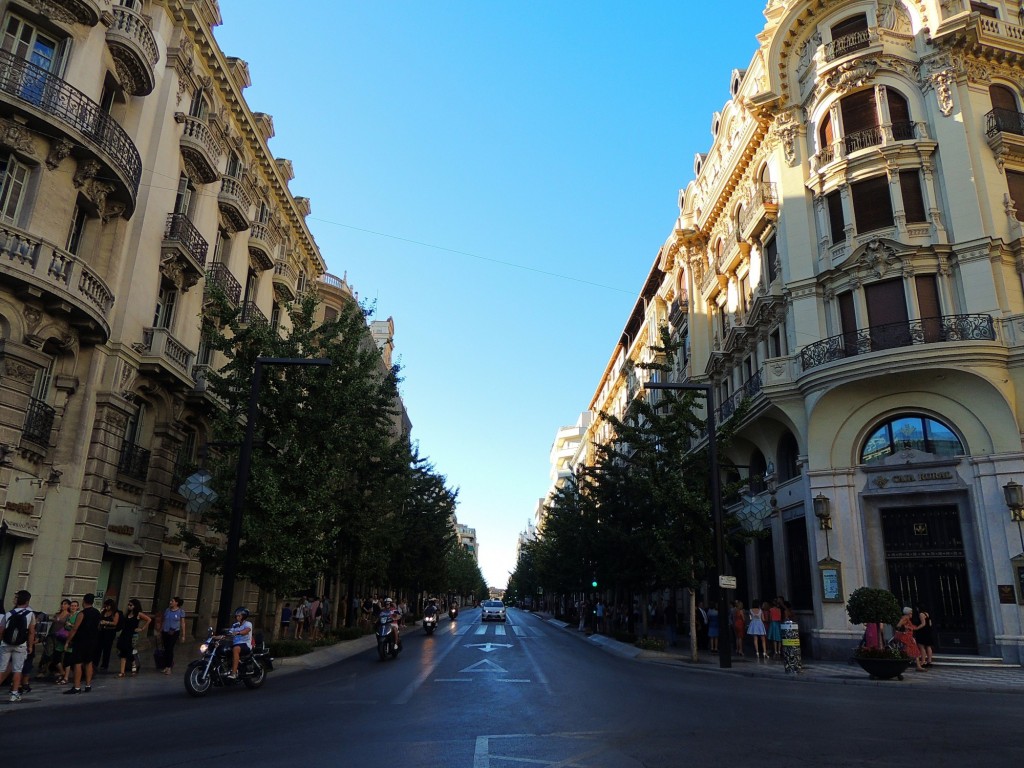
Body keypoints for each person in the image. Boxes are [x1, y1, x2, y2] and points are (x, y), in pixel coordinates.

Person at [0, 590, 37, 703]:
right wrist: (30, 646)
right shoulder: (30, 614)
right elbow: (31, 632)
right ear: (27, 601)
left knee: (1, 668)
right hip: (20, 644)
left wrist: (1, 641)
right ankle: (14, 693)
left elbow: (1, 630)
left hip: (6, 643)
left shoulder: (9, 613)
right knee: (17, 669)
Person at [64, 592, 101, 694]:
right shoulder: (97, 613)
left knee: (78, 663)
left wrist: (68, 641)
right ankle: (88, 685)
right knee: (88, 662)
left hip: (81, 640)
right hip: (92, 640)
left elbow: (75, 628)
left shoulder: (82, 613)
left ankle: (77, 687)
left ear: (84, 601)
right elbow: (98, 626)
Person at [116, 598, 150, 677]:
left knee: (128, 650)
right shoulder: (127, 614)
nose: (129, 606)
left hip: (132, 634)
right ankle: (122, 671)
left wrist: (142, 628)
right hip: (125, 633)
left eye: (131, 605)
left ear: (135, 606)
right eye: (128, 605)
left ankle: (133, 663)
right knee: (122, 649)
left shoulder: (138, 614)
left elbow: (148, 619)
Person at [221, 607, 253, 679]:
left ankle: (234, 673)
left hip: (245, 644)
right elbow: (229, 633)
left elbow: (246, 631)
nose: (237, 617)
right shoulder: (235, 625)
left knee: (235, 649)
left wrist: (238, 632)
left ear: (244, 616)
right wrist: (216, 637)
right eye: (236, 616)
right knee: (223, 649)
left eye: (239, 616)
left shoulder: (248, 624)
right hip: (236, 644)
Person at [159, 596, 187, 675]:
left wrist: (183, 635)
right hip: (165, 631)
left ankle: (169, 667)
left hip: (174, 632)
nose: (170, 602)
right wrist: (161, 629)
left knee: (170, 649)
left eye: (172, 601)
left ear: (176, 603)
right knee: (165, 648)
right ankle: (166, 666)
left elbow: (183, 623)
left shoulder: (181, 611)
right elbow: (164, 620)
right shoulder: (167, 610)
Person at [895, 606, 926, 672]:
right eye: (911, 612)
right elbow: (898, 625)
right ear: (908, 613)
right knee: (912, 650)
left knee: (912, 651)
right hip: (906, 637)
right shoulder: (905, 617)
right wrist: (906, 627)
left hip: (908, 636)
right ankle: (918, 666)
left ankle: (918, 666)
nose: (912, 614)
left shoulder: (907, 618)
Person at [95, 598, 122, 671]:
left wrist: (107, 622)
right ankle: (96, 662)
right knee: (98, 648)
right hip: (102, 631)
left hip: (110, 632)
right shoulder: (104, 612)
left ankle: (104, 664)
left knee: (107, 648)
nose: (106, 607)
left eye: (108, 606)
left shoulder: (115, 613)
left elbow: (115, 623)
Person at [50, 598, 71, 683]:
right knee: (50, 653)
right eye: (62, 604)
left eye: (65, 604)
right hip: (53, 635)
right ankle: (59, 672)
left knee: (59, 655)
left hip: (61, 636)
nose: (63, 605)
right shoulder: (57, 614)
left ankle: (62, 673)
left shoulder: (69, 615)